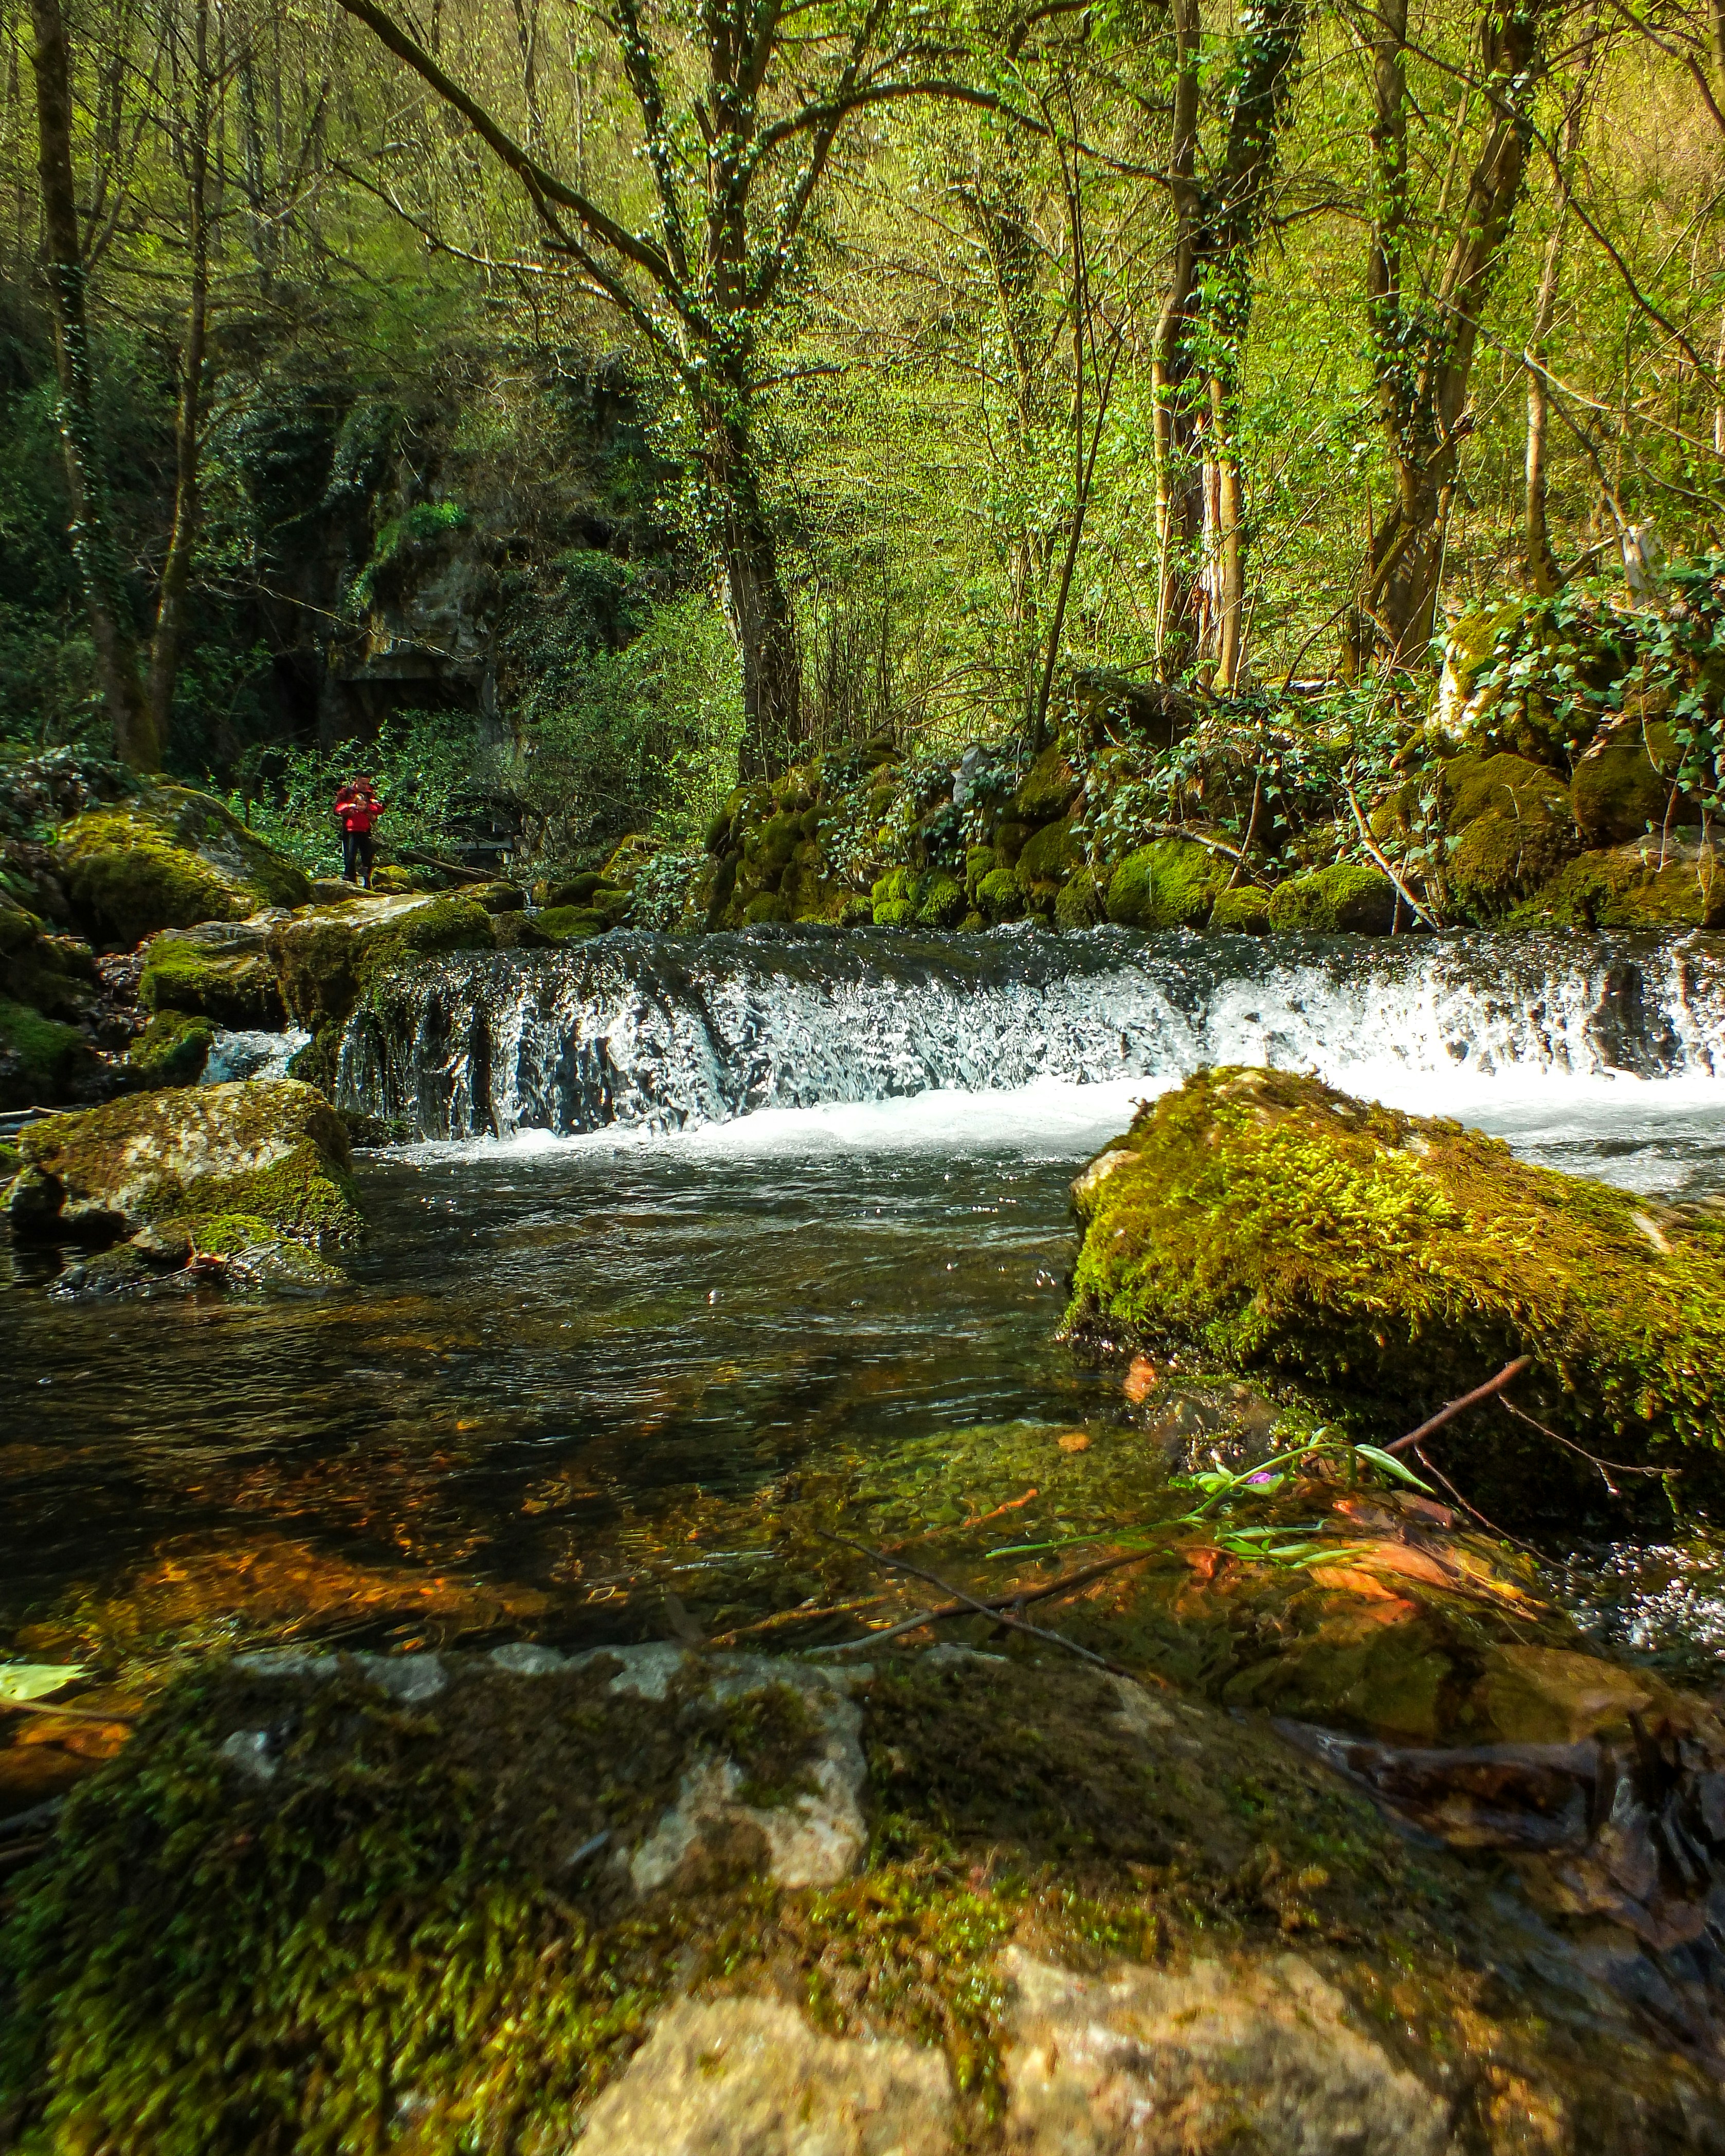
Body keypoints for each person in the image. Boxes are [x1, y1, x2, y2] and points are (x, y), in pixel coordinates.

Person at [334, 774, 383, 888]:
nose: (366, 786)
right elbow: (336, 809)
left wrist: (370, 812)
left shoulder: (370, 794)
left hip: (365, 829)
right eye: (363, 784)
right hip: (350, 829)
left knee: (367, 856)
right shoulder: (346, 792)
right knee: (350, 855)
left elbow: (378, 810)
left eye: (368, 784)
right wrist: (350, 808)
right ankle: (350, 880)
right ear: (357, 782)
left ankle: (367, 881)